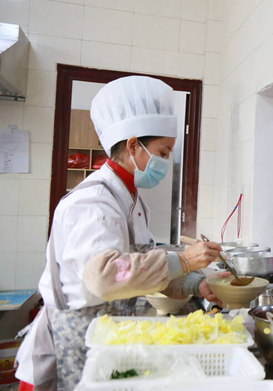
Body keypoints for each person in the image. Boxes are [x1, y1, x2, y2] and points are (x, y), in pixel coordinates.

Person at [15, 76, 224, 391]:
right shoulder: (94, 202)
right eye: (163, 152)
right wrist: (184, 260)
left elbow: (138, 265)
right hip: (74, 339)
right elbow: (107, 275)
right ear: (132, 145)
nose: (166, 162)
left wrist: (197, 282)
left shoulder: (130, 200)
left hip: (104, 332)